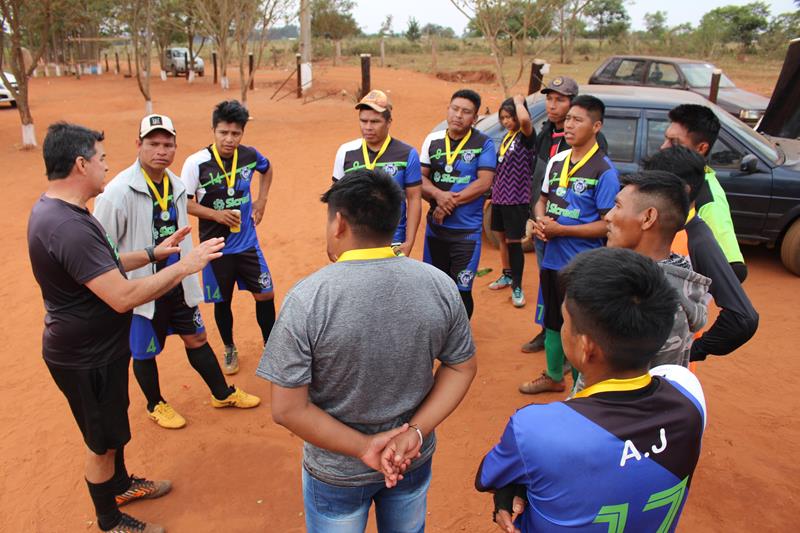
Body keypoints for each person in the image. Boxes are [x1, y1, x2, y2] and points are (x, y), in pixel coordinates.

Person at [28, 122, 225, 532]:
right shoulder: (68, 226)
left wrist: (156, 251)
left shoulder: (63, 212)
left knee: (112, 429)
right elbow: (122, 296)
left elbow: (106, 265)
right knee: (100, 442)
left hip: (97, 349)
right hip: (87, 357)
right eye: (100, 158)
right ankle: (109, 520)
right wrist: (186, 265)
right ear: (81, 164)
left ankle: (120, 485)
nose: (106, 165)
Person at [257, 169, 477, 533]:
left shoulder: (308, 299)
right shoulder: (439, 285)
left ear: (339, 223)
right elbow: (461, 367)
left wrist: (364, 448)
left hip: (336, 473)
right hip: (411, 458)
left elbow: (287, 408)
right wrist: (414, 434)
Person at [476, 247, 707, 533]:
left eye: (565, 321)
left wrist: (512, 490)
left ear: (585, 348)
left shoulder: (534, 429)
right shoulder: (688, 394)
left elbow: (487, 477)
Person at [94, 114, 260, 430]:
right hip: (142, 288)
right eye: (153, 143)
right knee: (144, 350)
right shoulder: (117, 193)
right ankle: (156, 404)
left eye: (168, 144)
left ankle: (221, 394)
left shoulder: (177, 184)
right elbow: (101, 252)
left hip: (178, 279)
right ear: (138, 145)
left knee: (197, 337)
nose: (161, 150)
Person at [520, 95, 619, 395]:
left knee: (579, 327)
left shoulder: (604, 171)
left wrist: (561, 228)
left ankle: (581, 387)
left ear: (597, 126)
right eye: (568, 120)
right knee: (553, 320)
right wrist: (540, 221)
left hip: (582, 266)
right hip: (552, 258)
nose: (569, 125)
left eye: (578, 120)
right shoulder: (557, 160)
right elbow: (543, 200)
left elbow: (608, 224)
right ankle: (553, 375)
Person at [181, 100, 276, 374]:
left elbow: (267, 169)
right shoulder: (196, 163)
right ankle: (229, 347)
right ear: (213, 130)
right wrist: (216, 215)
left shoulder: (249, 155)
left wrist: (262, 200)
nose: (229, 139)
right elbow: (185, 202)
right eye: (223, 132)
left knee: (266, 294)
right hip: (215, 248)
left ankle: (271, 346)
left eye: (235, 133)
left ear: (242, 133)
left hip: (247, 243)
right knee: (222, 302)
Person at [644, 146, 758, 362]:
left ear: (682, 190)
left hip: (663, 376)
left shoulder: (698, 239)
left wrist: (693, 350)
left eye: (652, 186)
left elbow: (742, 318)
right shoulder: (657, 226)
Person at [420, 88, 497, 318]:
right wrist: (438, 195)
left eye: (466, 112)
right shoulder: (432, 140)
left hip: (466, 233)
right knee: (434, 289)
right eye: (454, 109)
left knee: (462, 291)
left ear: (474, 119)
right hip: (436, 230)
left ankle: (459, 341)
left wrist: (447, 202)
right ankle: (438, 334)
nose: (458, 115)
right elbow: (419, 179)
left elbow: (484, 183)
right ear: (447, 110)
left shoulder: (484, 143)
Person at [660, 103, 748, 282]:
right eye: (666, 139)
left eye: (674, 142)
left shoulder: (709, 200)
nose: (663, 147)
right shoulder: (671, 181)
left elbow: (735, 269)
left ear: (701, 148)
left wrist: (692, 294)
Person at [332, 89, 422, 256]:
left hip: (393, 242)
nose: (368, 127)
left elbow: (414, 198)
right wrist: (334, 240)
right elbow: (336, 200)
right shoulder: (345, 152)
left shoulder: (407, 154)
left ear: (389, 122)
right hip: (355, 242)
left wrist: (409, 242)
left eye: (375, 121)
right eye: (363, 121)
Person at [487, 94, 536, 308]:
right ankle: (507, 275)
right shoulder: (508, 137)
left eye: (510, 117)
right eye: (503, 117)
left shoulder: (526, 137)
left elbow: (525, 121)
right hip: (499, 198)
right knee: (502, 240)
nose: (507, 121)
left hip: (516, 200)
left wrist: (519, 102)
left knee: (515, 244)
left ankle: (517, 285)